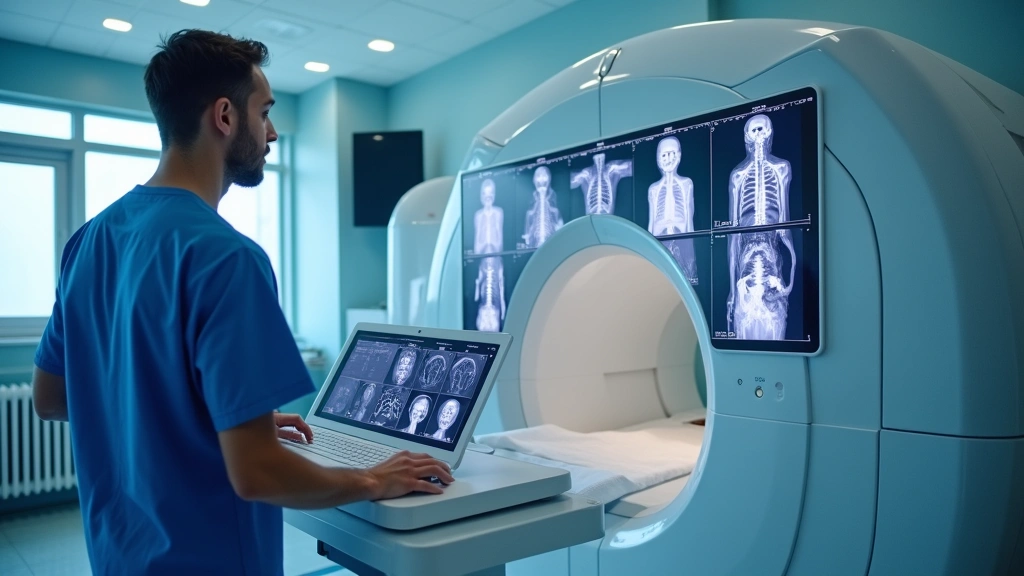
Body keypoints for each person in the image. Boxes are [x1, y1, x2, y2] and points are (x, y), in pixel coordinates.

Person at [30, 29, 453, 575]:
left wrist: (206, 419)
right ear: (225, 117)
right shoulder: (227, 258)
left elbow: (52, 397)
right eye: (266, 112)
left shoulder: (89, 241)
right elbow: (258, 474)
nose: (272, 132)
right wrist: (375, 478)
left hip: (117, 558)